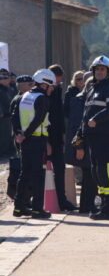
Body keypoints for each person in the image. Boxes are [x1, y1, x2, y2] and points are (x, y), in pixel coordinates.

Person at [74, 55, 109, 220]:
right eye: (97, 69)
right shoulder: (92, 89)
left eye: (103, 69)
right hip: (91, 137)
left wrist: (97, 119)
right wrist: (79, 134)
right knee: (95, 172)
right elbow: (85, 116)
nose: (99, 72)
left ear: (108, 72)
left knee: (104, 170)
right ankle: (102, 206)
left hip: (103, 136)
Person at [11, 69, 56, 218]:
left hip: (25, 142)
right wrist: (25, 134)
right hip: (37, 141)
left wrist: (19, 133)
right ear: (44, 84)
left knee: (24, 174)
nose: (52, 89)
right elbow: (38, 120)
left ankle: (18, 208)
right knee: (38, 176)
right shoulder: (42, 98)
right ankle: (37, 209)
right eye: (51, 86)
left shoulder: (24, 96)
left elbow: (14, 116)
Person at [48, 64, 77, 211]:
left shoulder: (57, 90)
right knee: (39, 171)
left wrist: (63, 133)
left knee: (60, 169)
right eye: (57, 81)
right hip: (46, 137)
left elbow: (59, 115)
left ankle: (61, 200)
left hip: (57, 136)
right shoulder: (43, 93)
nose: (58, 84)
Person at [67, 77, 98, 214]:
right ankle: (87, 205)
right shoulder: (79, 100)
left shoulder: (87, 99)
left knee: (89, 176)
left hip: (89, 143)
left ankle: (86, 205)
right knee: (90, 176)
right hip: (84, 144)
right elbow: (76, 126)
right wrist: (79, 147)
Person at [6, 75, 34, 200]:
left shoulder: (22, 98)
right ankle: (23, 197)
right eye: (30, 84)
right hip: (22, 137)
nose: (33, 86)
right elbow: (15, 120)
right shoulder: (21, 99)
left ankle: (24, 196)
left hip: (22, 136)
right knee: (25, 168)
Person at [0, 68, 13, 158]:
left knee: (7, 135)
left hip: (8, 115)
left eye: (7, 77)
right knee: (3, 135)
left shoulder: (8, 89)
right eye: (4, 78)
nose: (7, 79)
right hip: (2, 116)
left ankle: (6, 151)